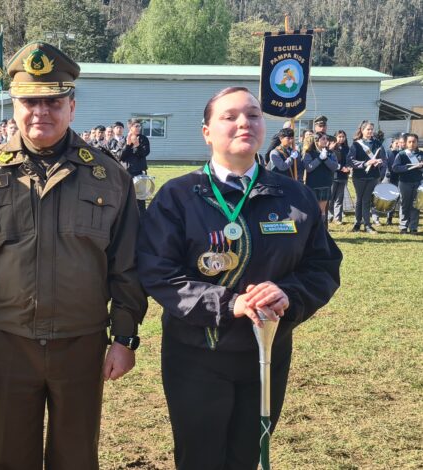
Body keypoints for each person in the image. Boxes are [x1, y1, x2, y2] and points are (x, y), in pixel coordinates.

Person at [0, 42, 147, 470]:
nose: (41, 112)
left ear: (72, 106)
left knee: (77, 456)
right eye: (29, 102)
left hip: (82, 340)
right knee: (12, 456)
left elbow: (127, 264)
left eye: (53, 101)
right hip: (9, 339)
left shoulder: (110, 177)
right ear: (14, 107)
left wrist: (124, 337)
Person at [137, 86, 342, 470]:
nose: (244, 123)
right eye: (229, 117)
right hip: (196, 356)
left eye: (253, 115)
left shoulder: (294, 196)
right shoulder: (177, 196)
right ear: (207, 132)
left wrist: (289, 294)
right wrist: (230, 304)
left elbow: (323, 265)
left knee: (246, 457)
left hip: (267, 354)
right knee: (200, 460)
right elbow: (158, 272)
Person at [347, 120, 386, 233]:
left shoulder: (378, 143)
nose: (370, 131)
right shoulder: (356, 144)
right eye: (368, 129)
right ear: (362, 130)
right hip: (359, 176)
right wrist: (365, 163)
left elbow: (384, 159)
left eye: (371, 129)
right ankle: (357, 224)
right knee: (359, 199)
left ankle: (367, 225)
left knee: (367, 200)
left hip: (373, 176)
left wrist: (379, 162)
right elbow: (350, 161)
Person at [303, 132, 339, 222]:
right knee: (313, 210)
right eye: (323, 139)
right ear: (316, 140)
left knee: (322, 211)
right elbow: (309, 168)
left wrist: (326, 158)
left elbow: (334, 167)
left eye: (326, 139)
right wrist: (319, 158)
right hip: (313, 184)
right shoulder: (309, 153)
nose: (326, 141)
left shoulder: (330, 153)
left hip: (326, 184)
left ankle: (321, 228)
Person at [392, 133, 423, 234]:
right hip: (404, 182)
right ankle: (403, 227)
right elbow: (395, 168)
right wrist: (409, 166)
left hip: (417, 183)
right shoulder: (401, 154)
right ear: (406, 143)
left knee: (415, 205)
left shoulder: (421, 154)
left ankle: (413, 227)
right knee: (404, 205)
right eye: (409, 142)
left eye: (414, 142)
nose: (412, 144)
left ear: (417, 142)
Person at [119, 118, 150, 213]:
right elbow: (120, 157)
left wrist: (137, 145)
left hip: (139, 172)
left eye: (139, 126)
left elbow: (144, 153)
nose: (139, 128)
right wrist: (128, 145)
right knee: (125, 197)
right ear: (130, 127)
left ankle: (142, 217)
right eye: (136, 126)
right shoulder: (123, 139)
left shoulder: (143, 139)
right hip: (126, 173)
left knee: (140, 198)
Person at [329, 130, 351, 224]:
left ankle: (337, 218)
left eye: (343, 137)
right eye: (339, 136)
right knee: (330, 198)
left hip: (343, 176)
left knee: (339, 198)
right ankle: (329, 216)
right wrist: (341, 168)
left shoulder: (347, 148)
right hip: (333, 176)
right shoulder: (331, 148)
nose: (341, 138)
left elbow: (350, 160)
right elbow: (330, 162)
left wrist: (348, 168)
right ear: (335, 137)